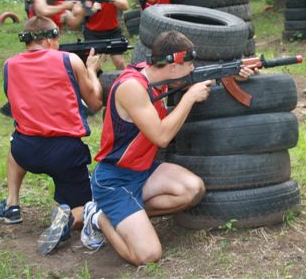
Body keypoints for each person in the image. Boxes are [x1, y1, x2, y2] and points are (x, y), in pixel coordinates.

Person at [80, 30, 253, 265]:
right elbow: (161, 137)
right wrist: (189, 98)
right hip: (115, 179)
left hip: (144, 170)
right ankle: (100, 218)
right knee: (148, 255)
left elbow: (203, 75)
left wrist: (235, 73)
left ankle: (130, 215)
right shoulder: (132, 87)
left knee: (193, 189)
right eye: (189, 64)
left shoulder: (161, 73)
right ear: (172, 66)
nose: (192, 69)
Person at [0, 16, 104, 256]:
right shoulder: (70, 60)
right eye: (57, 38)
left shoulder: (9, 64)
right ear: (51, 38)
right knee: (87, 207)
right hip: (65, 152)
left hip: (26, 149)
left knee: (14, 143)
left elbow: (14, 101)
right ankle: (68, 220)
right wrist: (91, 71)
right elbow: (95, 103)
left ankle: (12, 205)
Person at [80, 0, 129, 70]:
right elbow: (79, 14)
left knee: (120, 62)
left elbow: (125, 6)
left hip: (112, 32)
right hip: (93, 33)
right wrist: (92, 9)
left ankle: (124, 83)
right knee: (94, 65)